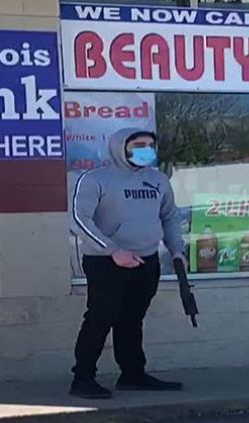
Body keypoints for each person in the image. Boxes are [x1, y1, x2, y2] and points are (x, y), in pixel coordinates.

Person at [69, 128, 187, 399]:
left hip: (146, 260)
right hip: (106, 263)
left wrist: (176, 250)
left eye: (149, 145)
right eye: (138, 144)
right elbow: (79, 219)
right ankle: (82, 378)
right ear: (121, 146)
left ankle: (133, 374)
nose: (145, 149)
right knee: (99, 319)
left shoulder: (158, 180)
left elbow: (169, 217)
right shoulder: (95, 179)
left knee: (132, 320)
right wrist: (112, 251)